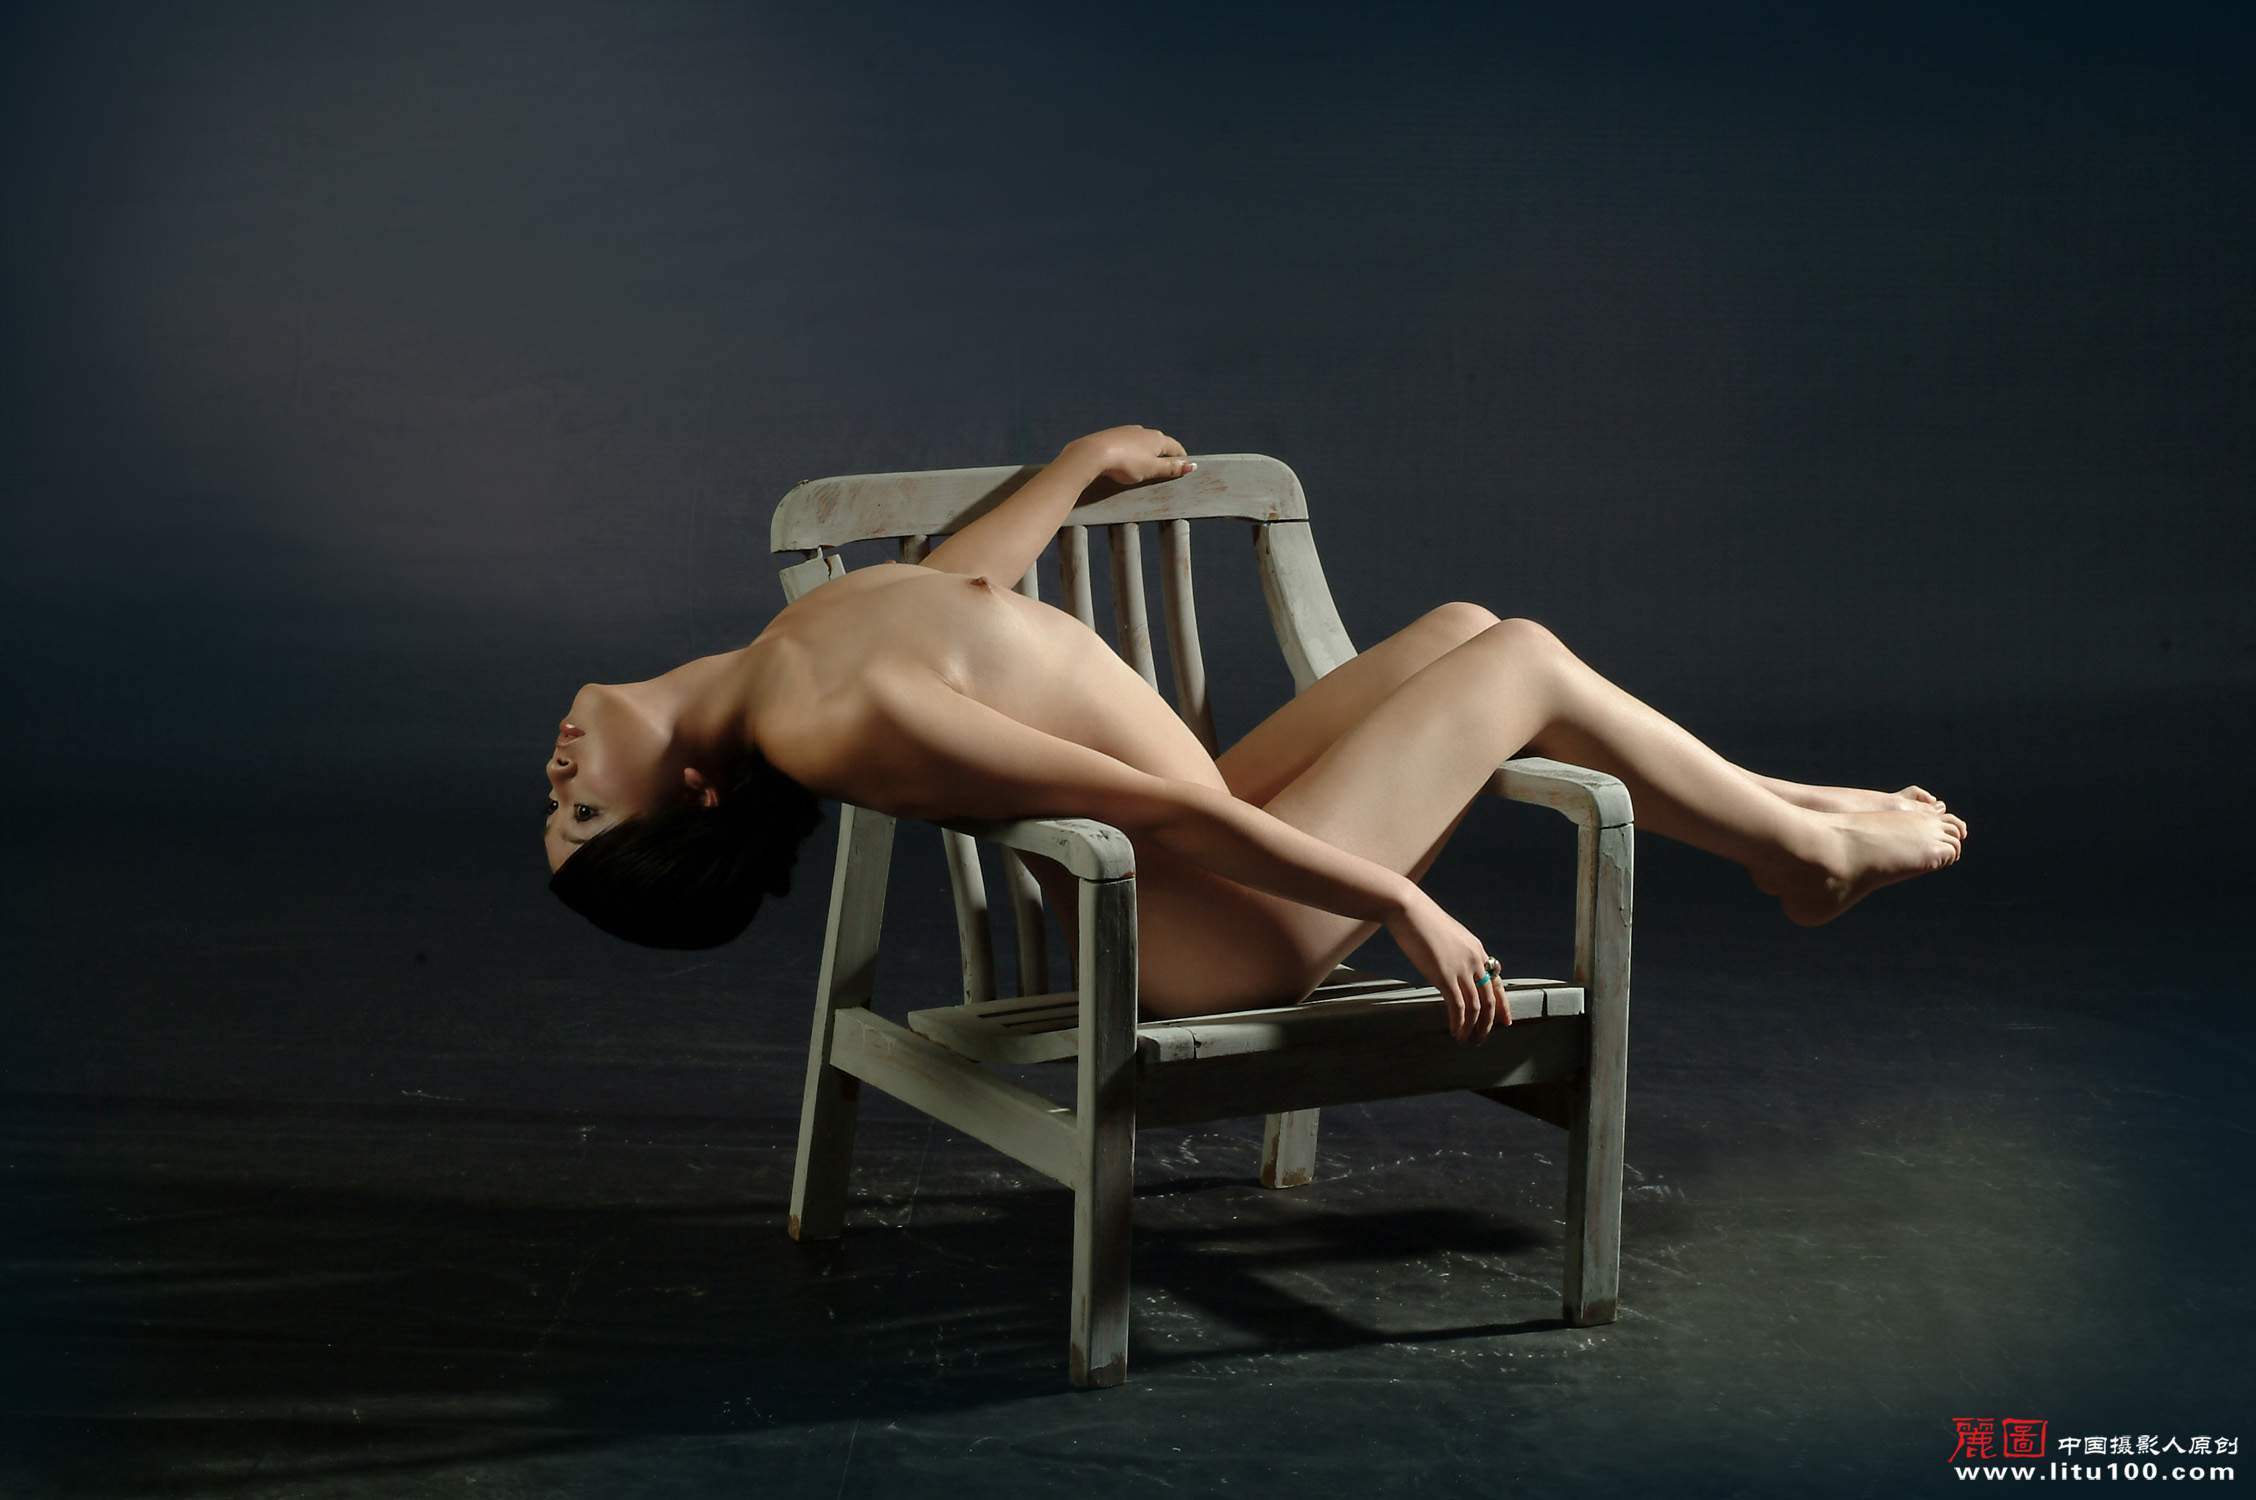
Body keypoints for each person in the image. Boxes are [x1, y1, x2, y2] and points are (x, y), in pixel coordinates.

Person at [543, 424, 1967, 1045]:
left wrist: (1077, 468)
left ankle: (1790, 809)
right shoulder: (825, 716)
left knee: (1464, 629)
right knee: (1521, 659)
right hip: (1214, 931)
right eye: (584, 814)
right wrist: (1397, 900)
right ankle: (1803, 855)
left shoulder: (794, 659)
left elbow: (960, 591)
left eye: (559, 808)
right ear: (695, 796)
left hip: (1211, 841)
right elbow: (1156, 814)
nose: (557, 780)